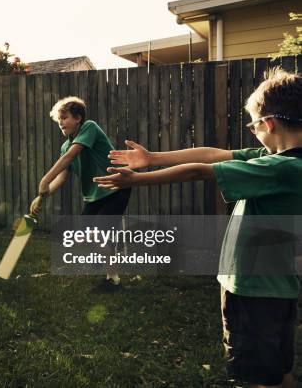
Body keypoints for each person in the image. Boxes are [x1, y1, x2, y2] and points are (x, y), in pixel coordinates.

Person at [95, 68, 302, 388]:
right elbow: (212, 153)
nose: (253, 134)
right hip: (276, 289)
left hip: (253, 290)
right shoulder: (278, 159)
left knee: (260, 378)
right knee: (276, 370)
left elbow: (200, 171)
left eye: (254, 126)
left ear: (269, 124)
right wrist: (152, 158)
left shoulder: (279, 168)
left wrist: (138, 180)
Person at [30, 96, 130, 290]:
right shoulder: (65, 146)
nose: (60, 122)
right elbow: (62, 176)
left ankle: (113, 280)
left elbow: (71, 156)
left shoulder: (89, 128)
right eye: (59, 119)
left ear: (77, 118)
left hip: (116, 187)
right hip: (94, 195)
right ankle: (106, 256)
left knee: (99, 232)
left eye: (64, 117)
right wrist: (41, 196)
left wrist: (44, 180)